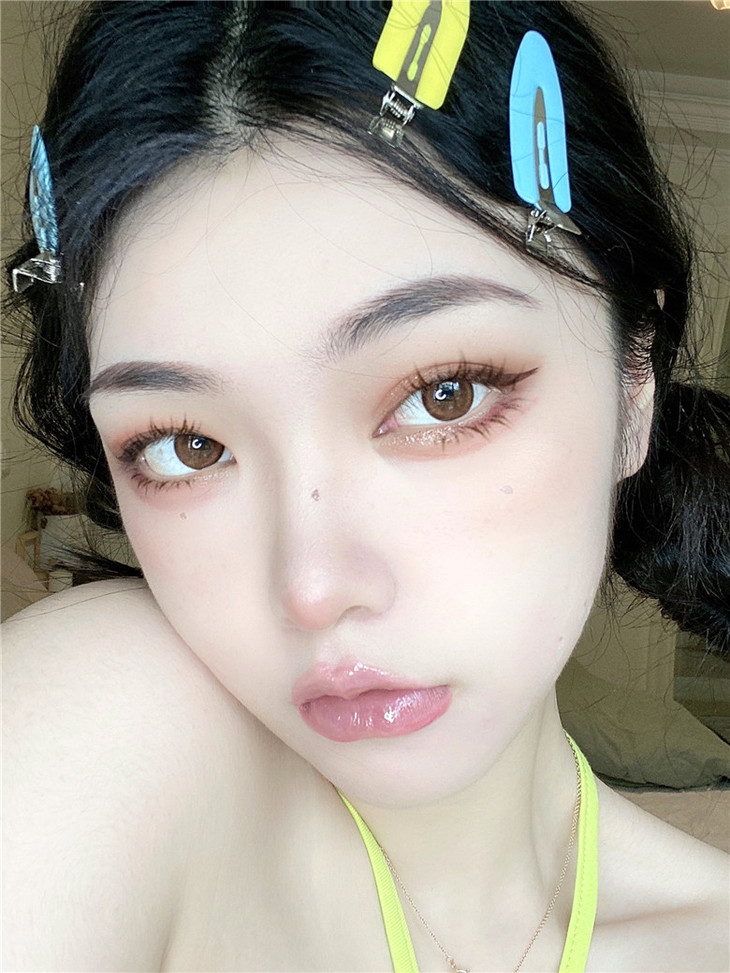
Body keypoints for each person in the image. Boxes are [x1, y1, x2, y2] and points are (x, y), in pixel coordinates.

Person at [4, 2, 729, 971]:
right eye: (185, 446)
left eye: (443, 394)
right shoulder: (101, 716)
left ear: (634, 383)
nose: (313, 588)